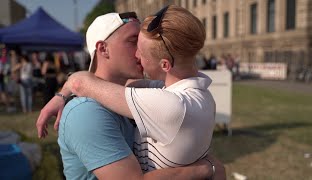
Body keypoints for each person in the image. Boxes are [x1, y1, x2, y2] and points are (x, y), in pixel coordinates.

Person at [37, 11, 224, 179]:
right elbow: (81, 83)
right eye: (133, 41)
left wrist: (63, 94)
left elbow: (84, 83)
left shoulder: (139, 94)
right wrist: (208, 168)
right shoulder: (86, 112)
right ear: (103, 49)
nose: (140, 52)